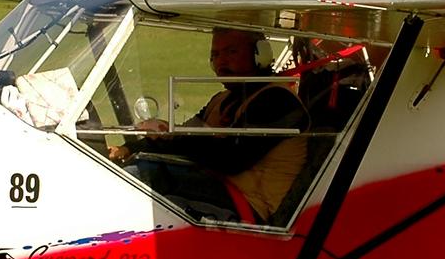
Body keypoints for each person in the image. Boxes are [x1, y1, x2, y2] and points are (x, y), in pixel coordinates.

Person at [111, 28, 310, 223]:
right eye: (215, 54)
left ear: (261, 54)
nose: (221, 61)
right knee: (129, 171)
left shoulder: (277, 100)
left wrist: (176, 137)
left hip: (247, 208)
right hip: (216, 187)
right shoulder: (222, 99)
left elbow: (230, 160)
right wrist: (128, 149)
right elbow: (184, 138)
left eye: (232, 52)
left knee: (135, 177)